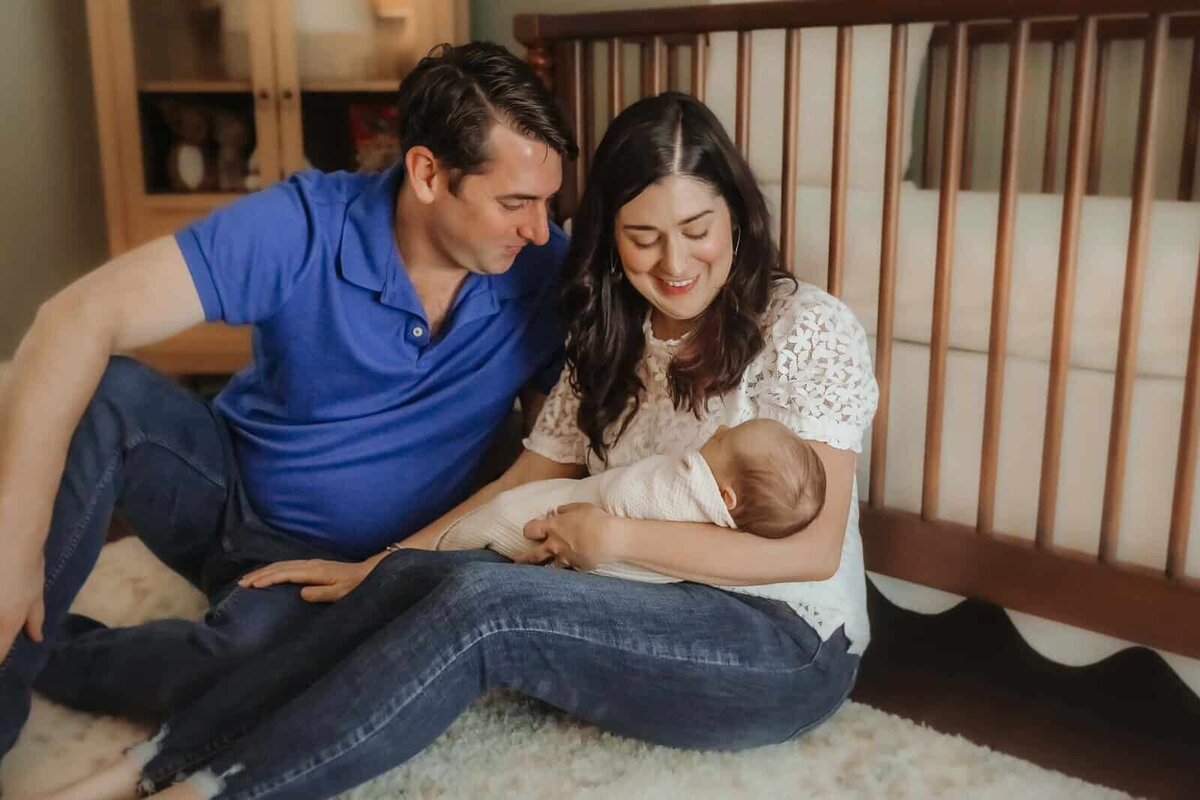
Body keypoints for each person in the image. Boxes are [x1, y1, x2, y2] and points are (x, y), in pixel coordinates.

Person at [36, 90, 879, 800]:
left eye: (699, 228)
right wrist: (382, 568)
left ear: (737, 213)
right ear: (611, 240)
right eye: (643, 236)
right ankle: (152, 761)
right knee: (434, 579)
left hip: (782, 642)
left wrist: (617, 538)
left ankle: (216, 788)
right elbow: (524, 479)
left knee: (487, 608)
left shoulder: (806, 328)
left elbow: (806, 551)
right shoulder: (606, 343)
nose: (677, 263)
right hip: (638, 602)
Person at [0, 41, 576, 758]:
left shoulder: (545, 272)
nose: (541, 228)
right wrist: (13, 544)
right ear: (428, 173)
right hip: (226, 493)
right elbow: (75, 317)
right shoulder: (303, 223)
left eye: (549, 201)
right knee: (102, 394)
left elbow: (575, 442)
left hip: (352, 570)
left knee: (259, 672)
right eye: (516, 202)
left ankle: (62, 656)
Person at [428, 418, 827, 583]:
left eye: (724, 439)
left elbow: (628, 496)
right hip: (566, 526)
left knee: (490, 536)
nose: (719, 428)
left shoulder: (686, 493)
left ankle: (446, 547)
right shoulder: (714, 502)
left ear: (726, 497)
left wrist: (607, 530)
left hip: (562, 533)